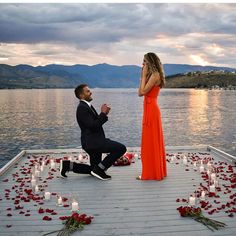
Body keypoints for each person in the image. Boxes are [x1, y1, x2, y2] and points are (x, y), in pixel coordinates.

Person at [60, 84, 126, 180]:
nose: (90, 92)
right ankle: (99, 171)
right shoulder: (82, 108)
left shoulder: (86, 106)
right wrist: (103, 113)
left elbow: (93, 124)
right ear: (81, 95)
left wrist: (103, 114)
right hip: (94, 142)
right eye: (87, 91)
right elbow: (93, 126)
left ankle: (68, 165)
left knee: (93, 169)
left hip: (92, 141)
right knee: (120, 148)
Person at [137, 52, 167, 180]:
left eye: (144, 61)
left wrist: (143, 75)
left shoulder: (155, 75)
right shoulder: (152, 75)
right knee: (149, 141)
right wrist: (143, 76)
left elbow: (142, 92)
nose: (143, 64)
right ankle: (153, 171)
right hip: (149, 108)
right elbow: (140, 92)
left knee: (151, 141)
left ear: (150, 62)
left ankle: (152, 173)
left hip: (152, 110)